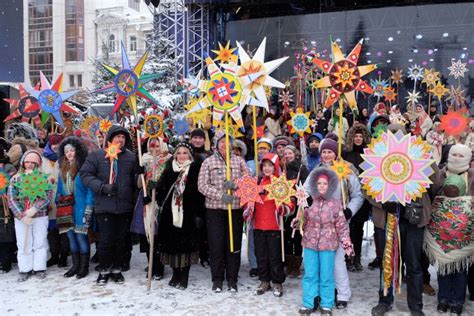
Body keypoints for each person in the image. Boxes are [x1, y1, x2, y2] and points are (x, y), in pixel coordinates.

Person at [371, 126, 438, 316]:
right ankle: (384, 300)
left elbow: (435, 183)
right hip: (388, 218)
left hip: (413, 220)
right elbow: (366, 187)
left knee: (414, 264)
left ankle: (415, 306)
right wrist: (383, 203)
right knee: (387, 262)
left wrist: (425, 160)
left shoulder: (419, 154)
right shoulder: (378, 156)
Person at [305, 137, 363, 309]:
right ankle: (318, 294)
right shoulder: (316, 170)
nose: (327, 155)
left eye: (330, 151)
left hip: (338, 221)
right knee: (320, 262)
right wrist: (307, 202)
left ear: (336, 153)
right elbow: (306, 190)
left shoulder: (346, 170)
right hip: (318, 223)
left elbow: (358, 195)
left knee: (337, 260)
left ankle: (343, 293)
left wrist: (349, 210)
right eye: (324, 151)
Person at [80, 125, 138, 286]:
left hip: (124, 206)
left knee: (121, 240)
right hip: (104, 205)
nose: (121, 139)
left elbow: (134, 181)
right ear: (110, 139)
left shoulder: (130, 157)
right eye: (117, 136)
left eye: (123, 137)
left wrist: (139, 178)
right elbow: (85, 174)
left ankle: (117, 269)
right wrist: (102, 187)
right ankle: (104, 269)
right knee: (106, 240)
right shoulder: (98, 156)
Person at [297, 168, 354, 315]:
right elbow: (303, 220)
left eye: (325, 184)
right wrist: (298, 222)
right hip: (310, 243)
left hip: (328, 245)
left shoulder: (335, 204)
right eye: (319, 183)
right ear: (315, 185)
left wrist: (347, 243)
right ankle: (309, 302)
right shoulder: (309, 201)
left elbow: (341, 225)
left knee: (326, 275)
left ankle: (326, 303)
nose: (321, 186)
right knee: (310, 274)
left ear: (330, 186)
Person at [197, 131, 248, 293]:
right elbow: (202, 185)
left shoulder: (239, 161)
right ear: (216, 144)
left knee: (233, 245)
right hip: (215, 210)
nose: (225, 145)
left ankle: (232, 278)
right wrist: (220, 195)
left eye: (228, 142)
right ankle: (217, 278)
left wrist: (236, 184)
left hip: (234, 209)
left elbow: (248, 179)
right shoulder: (208, 162)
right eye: (221, 142)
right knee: (216, 245)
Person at [149, 142, 204, 290]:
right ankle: (175, 274)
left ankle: (184, 276)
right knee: (172, 245)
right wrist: (154, 187)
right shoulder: (169, 168)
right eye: (178, 153)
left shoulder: (195, 169)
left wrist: (199, 214)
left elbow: (200, 194)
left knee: (185, 247)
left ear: (190, 155)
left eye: (185, 153)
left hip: (188, 213)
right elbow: (161, 191)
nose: (181, 156)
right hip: (169, 214)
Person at [425, 174, 472, 315]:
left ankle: (458, 302)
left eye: (455, 187)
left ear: (462, 188)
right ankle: (443, 300)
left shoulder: (469, 203)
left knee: (460, 274)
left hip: (462, 249)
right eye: (449, 187)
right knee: (443, 274)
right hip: (441, 249)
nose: (451, 190)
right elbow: (431, 224)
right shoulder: (438, 202)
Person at [8, 150, 53, 281]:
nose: (30, 165)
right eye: (27, 162)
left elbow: (47, 196)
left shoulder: (43, 177)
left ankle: (39, 267)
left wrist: (34, 208)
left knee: (40, 241)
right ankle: (25, 268)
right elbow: (12, 198)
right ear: (23, 162)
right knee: (23, 243)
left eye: (33, 162)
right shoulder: (16, 178)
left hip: (39, 215)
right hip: (22, 217)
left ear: (37, 164)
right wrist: (21, 215)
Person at [131, 137, 171, 280]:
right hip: (146, 200)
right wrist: (140, 173)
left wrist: (159, 188)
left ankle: (159, 267)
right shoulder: (144, 159)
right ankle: (151, 264)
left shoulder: (169, 160)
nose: (154, 149)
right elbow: (139, 185)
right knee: (148, 235)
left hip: (160, 201)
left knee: (158, 236)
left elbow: (170, 180)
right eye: (151, 146)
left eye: (157, 145)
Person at [253, 153, 292, 297]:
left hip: (275, 227)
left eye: (270, 165)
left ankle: (277, 282)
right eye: (264, 166)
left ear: (275, 167)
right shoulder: (257, 182)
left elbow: (289, 205)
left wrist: (283, 208)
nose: (267, 168)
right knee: (261, 255)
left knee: (275, 256)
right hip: (258, 225)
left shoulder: (281, 183)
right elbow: (250, 201)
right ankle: (264, 280)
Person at [56, 136, 93, 279]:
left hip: (80, 207)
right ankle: (75, 265)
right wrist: (58, 198)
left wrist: (89, 206)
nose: (69, 153)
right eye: (66, 151)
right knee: (71, 237)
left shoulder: (83, 168)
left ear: (77, 151)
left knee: (81, 236)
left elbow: (90, 189)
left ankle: (84, 267)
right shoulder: (62, 170)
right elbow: (59, 188)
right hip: (66, 208)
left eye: (72, 150)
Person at [343, 123, 371, 272]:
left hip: (363, 196)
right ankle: (348, 256)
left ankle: (357, 257)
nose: (358, 139)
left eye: (361, 136)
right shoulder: (346, 154)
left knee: (358, 228)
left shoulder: (368, 155)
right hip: (347, 195)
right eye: (356, 136)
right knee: (347, 228)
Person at [42, 133, 69, 268]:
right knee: (51, 231)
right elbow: (38, 177)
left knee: (64, 229)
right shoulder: (42, 159)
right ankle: (54, 255)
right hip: (48, 200)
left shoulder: (65, 158)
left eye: (58, 145)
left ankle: (64, 256)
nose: (56, 147)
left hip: (63, 198)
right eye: (53, 144)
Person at [282, 145, 309, 278]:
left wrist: (296, 193)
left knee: (297, 235)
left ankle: (297, 264)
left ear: (295, 154)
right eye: (285, 154)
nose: (287, 156)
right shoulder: (282, 169)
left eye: (289, 153)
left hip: (298, 206)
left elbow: (306, 186)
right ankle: (289, 263)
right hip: (286, 205)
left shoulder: (302, 169)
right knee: (286, 235)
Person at [0, 144, 17, 273]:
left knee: (6, 234)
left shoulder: (8, 167)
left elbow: (13, 184)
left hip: (6, 205)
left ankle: (7, 261)